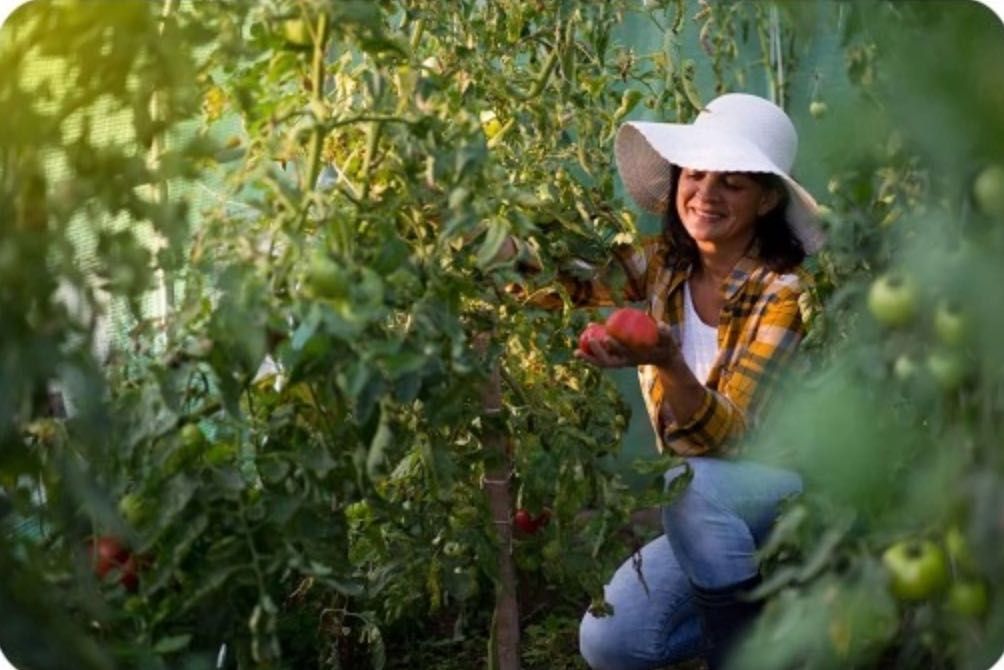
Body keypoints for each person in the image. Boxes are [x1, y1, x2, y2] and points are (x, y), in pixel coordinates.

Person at [523, 93, 824, 670]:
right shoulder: (664, 265)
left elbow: (727, 439)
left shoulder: (783, 292)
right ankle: (778, 621)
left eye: (732, 183)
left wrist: (666, 359)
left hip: (783, 496)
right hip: (703, 505)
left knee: (690, 479)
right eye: (696, 173)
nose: (706, 194)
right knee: (612, 642)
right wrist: (478, 235)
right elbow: (560, 283)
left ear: (765, 200)